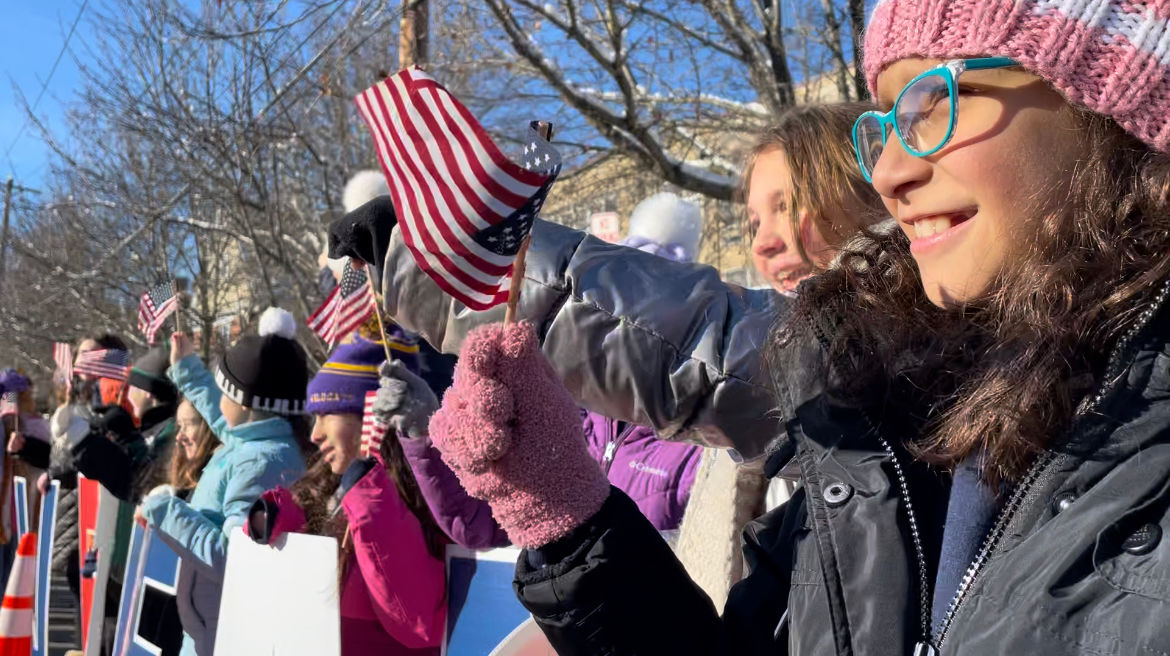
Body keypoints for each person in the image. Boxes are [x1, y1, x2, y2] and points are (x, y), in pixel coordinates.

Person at [334, 1, 1170, 650]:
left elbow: (709, 344)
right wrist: (567, 517)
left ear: (1116, 93)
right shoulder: (888, 420)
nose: (890, 169)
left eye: (936, 100)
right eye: (882, 123)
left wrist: (449, 252)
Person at [247, 331, 447, 655]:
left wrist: (370, 502)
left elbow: (420, 625)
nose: (314, 433)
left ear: (371, 414)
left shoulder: (428, 499)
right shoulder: (330, 486)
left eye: (326, 414)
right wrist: (279, 518)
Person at [139, 308, 308, 656]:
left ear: (245, 404)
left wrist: (164, 509)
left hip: (226, 634)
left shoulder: (259, 463)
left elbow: (235, 557)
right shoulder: (255, 442)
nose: (218, 402)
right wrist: (186, 368)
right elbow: (222, 415)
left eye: (224, 391)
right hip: (212, 624)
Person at [169, 397, 220, 499]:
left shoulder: (219, 474)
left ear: (209, 428)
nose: (179, 436)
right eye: (180, 426)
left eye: (188, 425)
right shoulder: (190, 475)